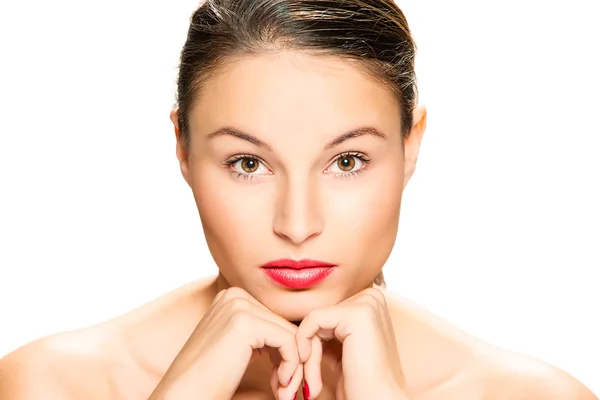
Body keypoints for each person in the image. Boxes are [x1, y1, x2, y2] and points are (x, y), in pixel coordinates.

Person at [0, 0, 597, 399]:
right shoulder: (54, 383)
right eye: (249, 164)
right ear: (181, 148)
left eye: (346, 161)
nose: (297, 224)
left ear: (410, 147)